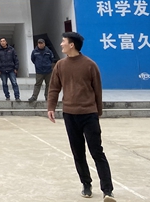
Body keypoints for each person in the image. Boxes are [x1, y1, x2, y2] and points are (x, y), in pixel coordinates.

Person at [47, 32, 116, 202]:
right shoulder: (60, 65)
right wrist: (51, 107)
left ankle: (107, 190)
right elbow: (54, 88)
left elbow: (97, 90)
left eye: (63, 41)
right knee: (78, 153)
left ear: (72, 45)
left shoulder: (90, 65)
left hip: (88, 114)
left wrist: (97, 112)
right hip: (70, 115)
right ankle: (86, 185)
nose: (61, 44)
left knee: (97, 152)